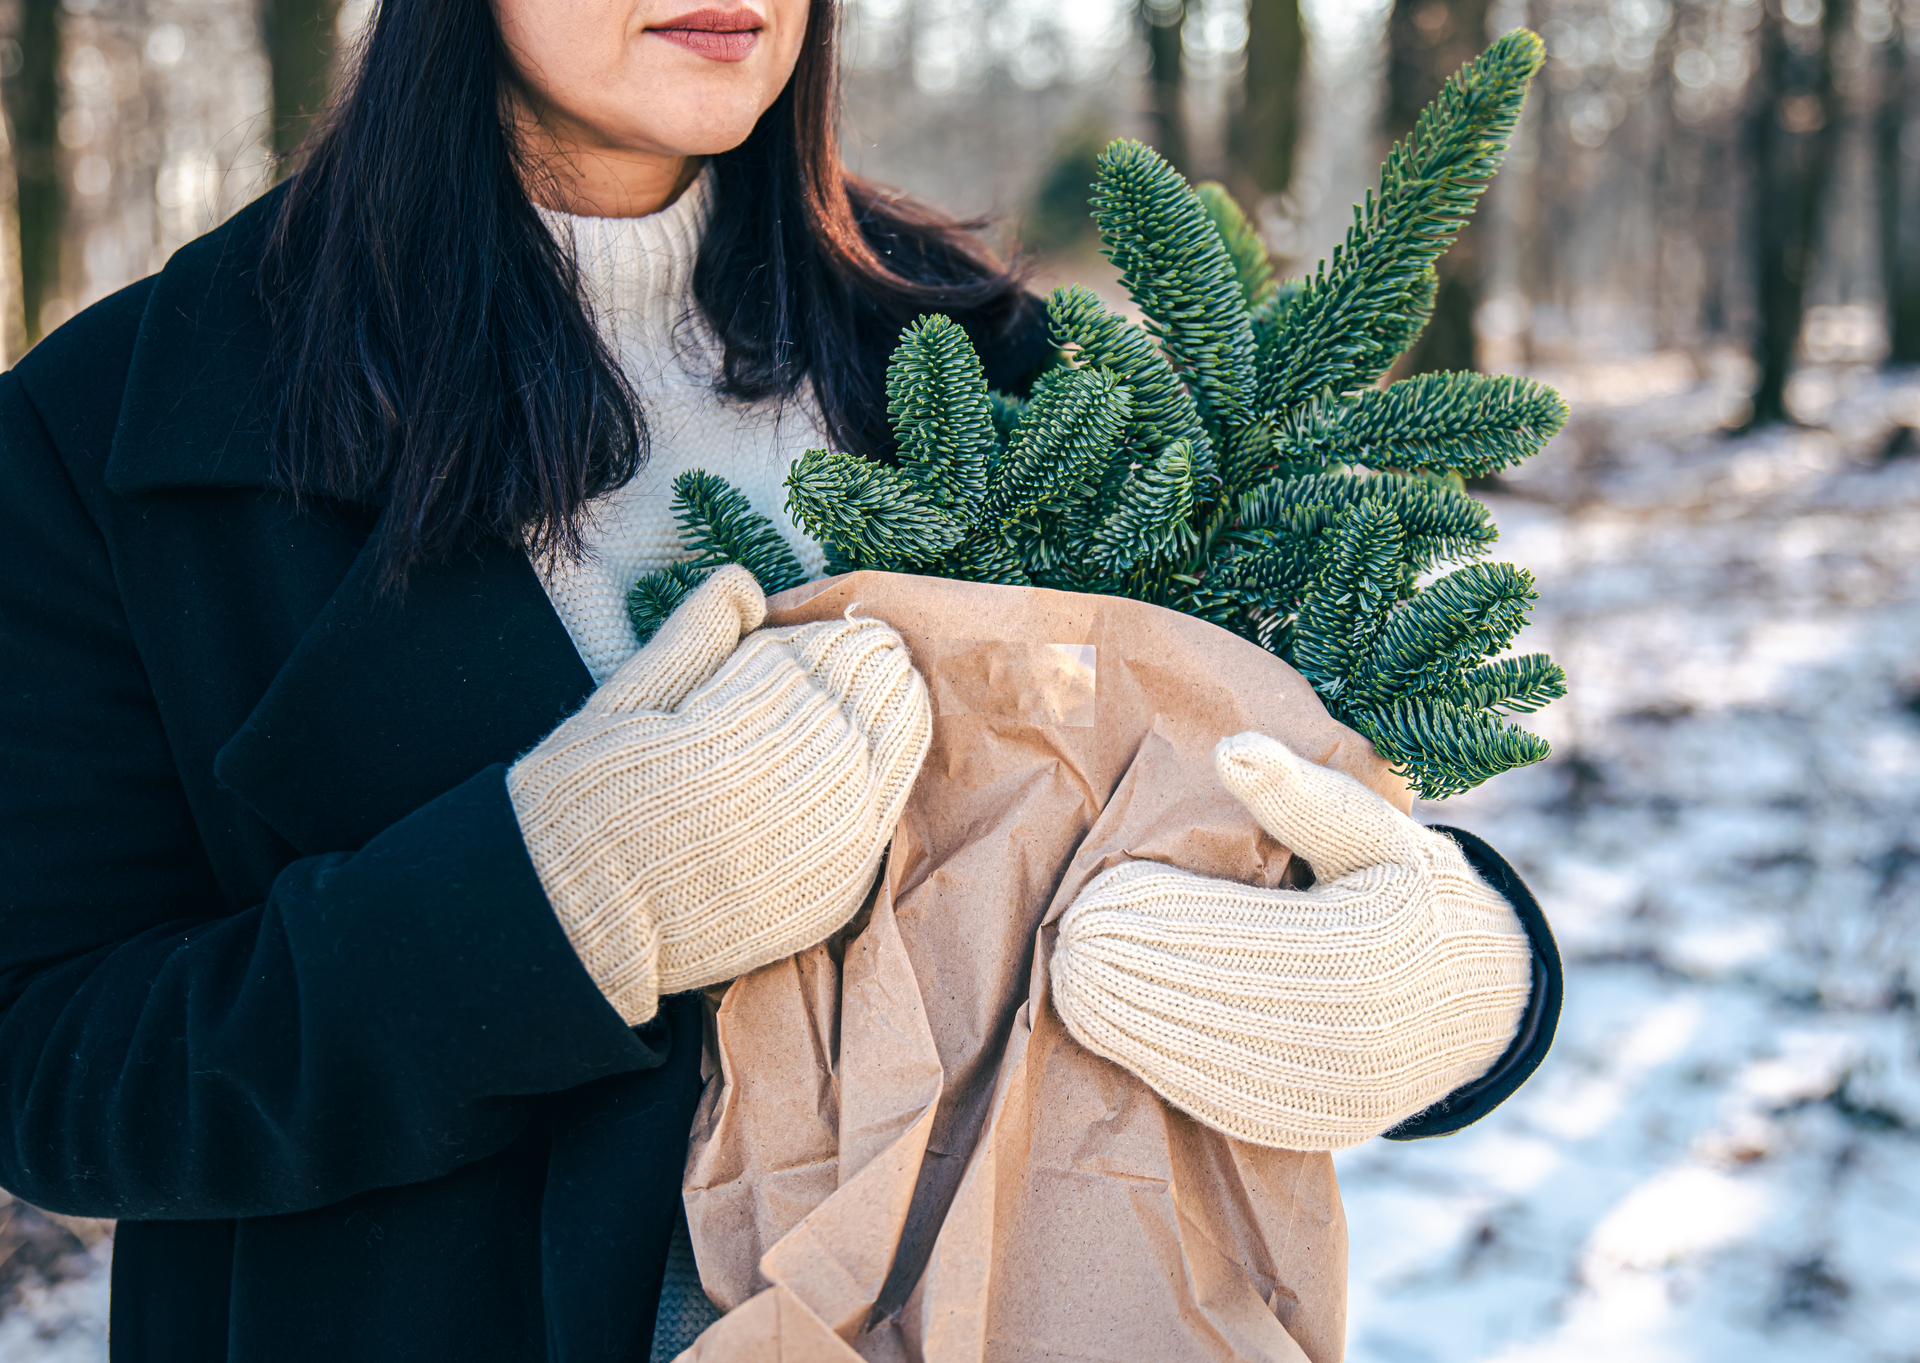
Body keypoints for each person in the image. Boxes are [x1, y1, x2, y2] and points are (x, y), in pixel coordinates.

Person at [0, 0, 1560, 1358]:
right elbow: (54, 1065)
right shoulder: (120, 436)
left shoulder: (983, 360)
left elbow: (1254, 760)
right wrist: (564, 903)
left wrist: (1462, 981)